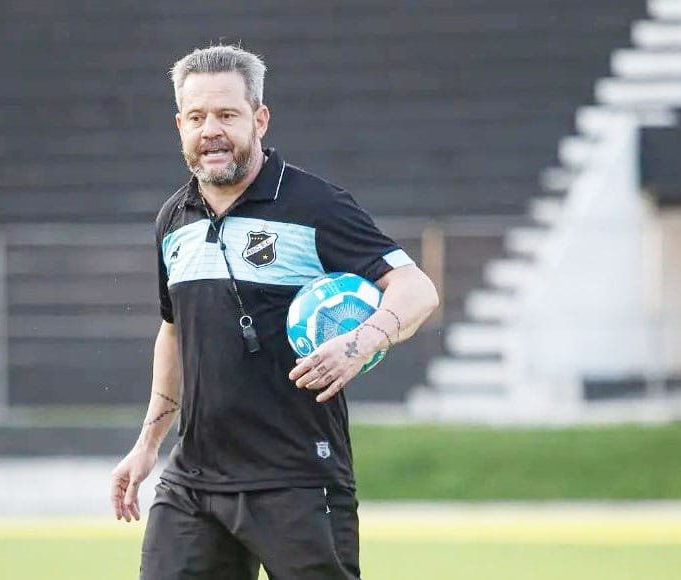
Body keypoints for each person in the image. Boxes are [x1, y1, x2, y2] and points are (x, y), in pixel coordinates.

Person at [110, 45, 439, 580]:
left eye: (227, 114)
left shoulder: (315, 205)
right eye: (196, 117)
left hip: (299, 480)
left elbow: (416, 288)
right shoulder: (173, 220)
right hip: (194, 482)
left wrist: (360, 342)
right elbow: (172, 332)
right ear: (179, 126)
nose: (211, 131)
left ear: (259, 119)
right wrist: (148, 445)